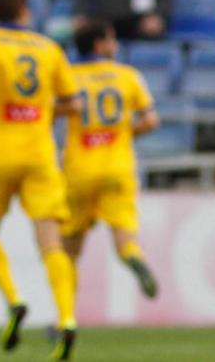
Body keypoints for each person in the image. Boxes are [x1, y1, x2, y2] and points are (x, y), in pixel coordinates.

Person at [0, 0, 81, 361]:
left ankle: (14, 299)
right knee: (51, 242)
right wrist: (41, 110)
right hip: (40, 155)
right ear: (24, 10)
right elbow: (74, 104)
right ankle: (66, 318)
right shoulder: (49, 48)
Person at [62, 20, 160, 301]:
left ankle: (65, 314)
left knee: (69, 248)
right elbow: (151, 120)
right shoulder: (128, 76)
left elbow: (52, 110)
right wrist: (121, 134)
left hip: (79, 169)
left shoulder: (68, 77)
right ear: (99, 44)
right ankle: (134, 259)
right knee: (124, 237)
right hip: (118, 167)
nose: (115, 45)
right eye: (111, 39)